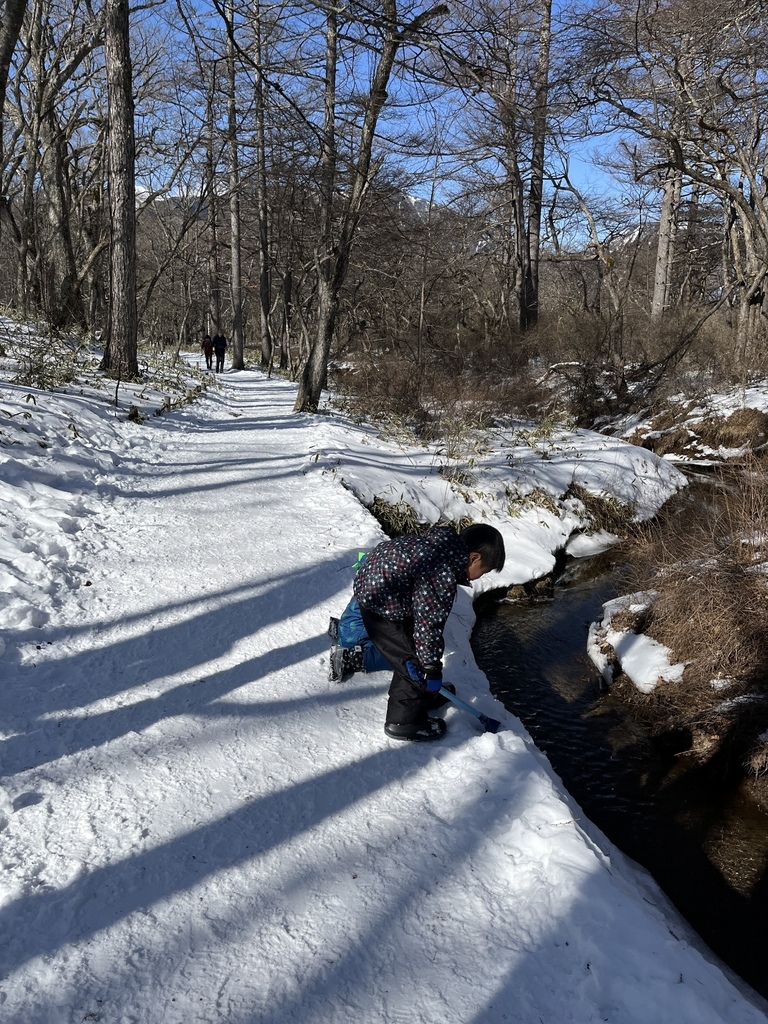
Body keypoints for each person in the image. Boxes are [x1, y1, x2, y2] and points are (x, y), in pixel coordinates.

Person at [353, 523, 505, 743]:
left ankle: (424, 694)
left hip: (382, 590)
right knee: (413, 661)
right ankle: (403, 722)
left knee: (415, 652)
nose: (480, 577)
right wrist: (431, 669)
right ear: (473, 558)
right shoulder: (440, 573)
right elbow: (428, 626)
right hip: (381, 605)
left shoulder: (439, 546)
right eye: (485, 570)